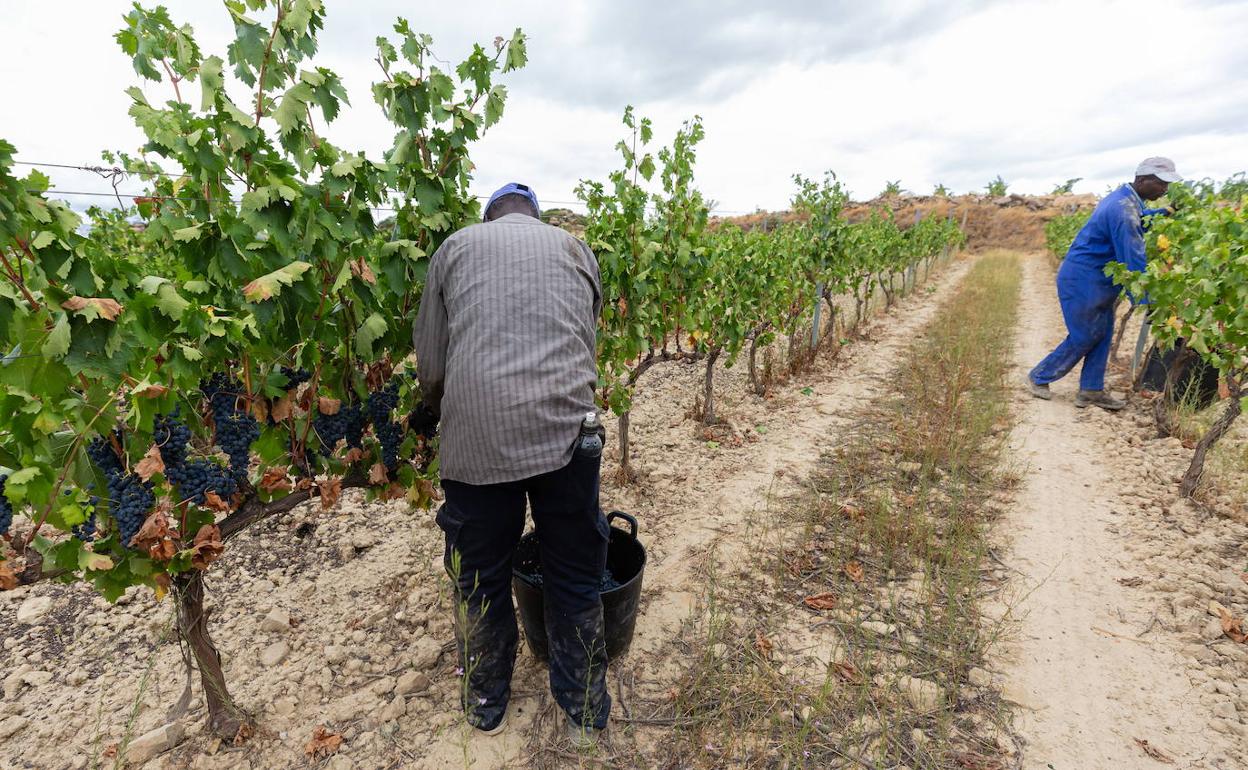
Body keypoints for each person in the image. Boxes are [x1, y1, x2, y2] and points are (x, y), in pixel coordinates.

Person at [410, 182, 610, 745]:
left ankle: (486, 705)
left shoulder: (454, 248)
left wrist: (438, 409)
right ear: (535, 217)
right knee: (574, 571)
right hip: (567, 435)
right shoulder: (575, 249)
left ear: (489, 218)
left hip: (477, 442)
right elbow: (584, 337)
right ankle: (585, 713)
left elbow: (431, 360)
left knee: (478, 577)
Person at [1028, 157, 1181, 410]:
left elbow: (1140, 220)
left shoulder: (1128, 200)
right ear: (1143, 180)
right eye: (1162, 183)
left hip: (1098, 280)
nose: (1165, 189)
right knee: (1086, 335)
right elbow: (1133, 260)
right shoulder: (1123, 209)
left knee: (1102, 333)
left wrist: (1165, 213)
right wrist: (1147, 302)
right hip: (1083, 280)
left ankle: (1091, 390)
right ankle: (1039, 377)